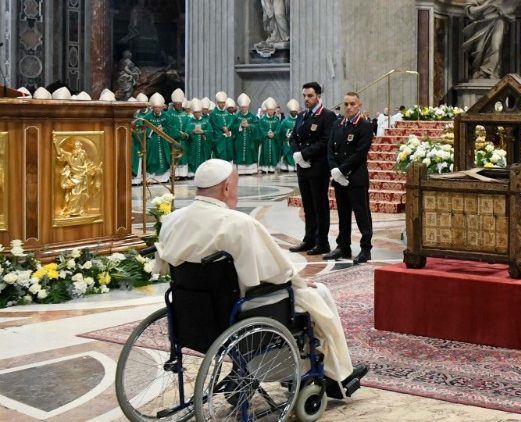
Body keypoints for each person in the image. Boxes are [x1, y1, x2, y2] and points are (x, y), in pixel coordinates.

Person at [154, 159, 368, 395]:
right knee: (317, 294)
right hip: (241, 309)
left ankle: (254, 371)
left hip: (193, 310)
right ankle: (337, 377)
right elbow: (278, 272)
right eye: (235, 185)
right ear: (226, 188)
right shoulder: (238, 223)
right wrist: (298, 281)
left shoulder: (173, 220)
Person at [324, 92, 373, 264]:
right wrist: (334, 170)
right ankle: (343, 246)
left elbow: (360, 153)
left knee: (362, 215)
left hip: (356, 178)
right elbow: (330, 149)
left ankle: (366, 248)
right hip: (339, 178)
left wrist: (342, 170)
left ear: (359, 105)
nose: (349, 107)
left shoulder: (365, 126)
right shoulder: (337, 124)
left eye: (352, 104)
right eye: (346, 104)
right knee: (343, 215)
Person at [288, 82, 337, 255]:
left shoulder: (327, 116)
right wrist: (296, 155)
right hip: (303, 166)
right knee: (308, 206)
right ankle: (309, 239)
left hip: (318, 167)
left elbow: (326, 141)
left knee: (319, 205)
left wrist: (304, 154)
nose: (306, 99)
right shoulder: (302, 116)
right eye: (304, 96)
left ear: (318, 96)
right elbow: (293, 137)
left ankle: (322, 242)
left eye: (310, 96)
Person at [462, 0, 521, 79]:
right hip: (480, 24)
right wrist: (486, 5)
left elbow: (509, 8)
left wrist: (501, 8)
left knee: (496, 47)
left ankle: (492, 72)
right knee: (479, 50)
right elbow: (471, 12)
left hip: (498, 21)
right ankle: (480, 72)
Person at [143, 93, 175, 183]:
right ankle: (151, 179)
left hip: (164, 141)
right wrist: (153, 130)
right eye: (155, 107)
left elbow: (171, 127)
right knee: (151, 160)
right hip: (151, 141)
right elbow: (143, 129)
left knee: (164, 159)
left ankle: (164, 178)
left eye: (158, 107)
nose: (157, 109)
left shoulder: (167, 116)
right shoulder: (147, 117)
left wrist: (163, 129)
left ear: (162, 107)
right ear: (152, 108)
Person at [231, 93, 260, 175]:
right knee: (239, 153)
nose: (243, 108)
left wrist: (249, 125)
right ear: (240, 107)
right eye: (242, 107)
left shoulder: (253, 116)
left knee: (250, 153)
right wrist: (239, 125)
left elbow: (257, 126)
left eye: (245, 107)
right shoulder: (236, 116)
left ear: (248, 107)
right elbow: (232, 127)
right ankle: (239, 170)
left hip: (249, 140)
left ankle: (250, 170)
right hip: (239, 140)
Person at [166, 89, 190, 178]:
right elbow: (169, 126)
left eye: (180, 104)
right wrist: (179, 133)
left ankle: (182, 174)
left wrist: (186, 133)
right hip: (174, 140)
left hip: (184, 140)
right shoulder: (169, 114)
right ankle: (174, 174)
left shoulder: (184, 114)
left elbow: (189, 124)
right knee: (174, 155)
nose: (179, 105)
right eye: (177, 104)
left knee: (183, 156)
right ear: (173, 104)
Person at [185, 98, 213, 175]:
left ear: (201, 112)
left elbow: (210, 131)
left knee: (203, 157)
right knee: (192, 157)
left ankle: (203, 172)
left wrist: (203, 131)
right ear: (193, 113)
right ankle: (192, 173)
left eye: (198, 112)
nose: (197, 114)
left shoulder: (205, 121)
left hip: (203, 144)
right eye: (195, 112)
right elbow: (187, 131)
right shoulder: (190, 121)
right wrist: (192, 132)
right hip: (193, 144)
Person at [257, 97, 281, 173]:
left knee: (273, 153)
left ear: (274, 110)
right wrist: (266, 134)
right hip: (265, 140)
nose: (271, 111)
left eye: (272, 110)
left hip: (273, 140)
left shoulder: (276, 120)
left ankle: (272, 168)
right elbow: (260, 128)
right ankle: (264, 168)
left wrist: (274, 134)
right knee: (264, 153)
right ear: (266, 110)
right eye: (269, 110)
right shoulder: (262, 119)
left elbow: (278, 128)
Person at [209, 91, 234, 161]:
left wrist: (227, 127)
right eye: (220, 103)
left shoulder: (226, 112)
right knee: (220, 154)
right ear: (217, 103)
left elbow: (230, 121)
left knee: (228, 153)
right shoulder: (213, 113)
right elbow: (214, 124)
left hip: (227, 137)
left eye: (223, 102)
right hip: (218, 137)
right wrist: (223, 129)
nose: (222, 104)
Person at [278, 99, 301, 172]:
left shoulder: (300, 119)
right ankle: (287, 166)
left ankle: (296, 166)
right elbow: (281, 131)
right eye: (292, 111)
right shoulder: (285, 121)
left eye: (295, 111)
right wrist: (288, 131)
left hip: (297, 142)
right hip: (287, 141)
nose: (294, 113)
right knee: (288, 153)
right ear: (290, 111)